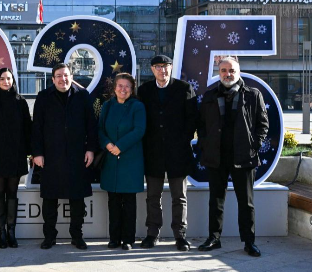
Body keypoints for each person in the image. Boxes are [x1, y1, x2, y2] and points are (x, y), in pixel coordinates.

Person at [195, 57, 268, 257]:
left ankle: (249, 241)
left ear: (238, 71)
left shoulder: (253, 95)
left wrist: (255, 145)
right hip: (216, 157)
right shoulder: (210, 95)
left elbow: (263, 124)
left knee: (246, 202)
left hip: (244, 156)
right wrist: (204, 144)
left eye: (232, 70)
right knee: (215, 201)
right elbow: (201, 125)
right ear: (219, 72)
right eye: (224, 70)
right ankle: (214, 238)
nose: (228, 74)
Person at [31, 63, 97, 250]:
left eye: (66, 75)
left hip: (77, 156)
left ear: (71, 76)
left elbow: (91, 125)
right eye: (59, 76)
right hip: (51, 156)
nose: (63, 79)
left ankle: (77, 236)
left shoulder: (82, 95)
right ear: (53, 79)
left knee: (77, 200)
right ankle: (49, 237)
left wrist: (91, 149)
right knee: (50, 200)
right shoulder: (44, 97)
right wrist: (37, 153)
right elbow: (36, 127)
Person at [137, 55, 197, 251]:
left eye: (166, 66)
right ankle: (152, 234)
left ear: (171, 68)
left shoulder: (184, 88)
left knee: (179, 196)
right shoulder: (144, 90)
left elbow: (192, 120)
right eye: (158, 67)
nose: (162, 70)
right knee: (153, 196)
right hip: (152, 152)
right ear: (152, 69)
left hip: (177, 152)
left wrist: (182, 141)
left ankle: (180, 236)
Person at [0, 68, 32, 249]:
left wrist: (31, 153)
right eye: (2, 79)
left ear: (13, 81)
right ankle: (1, 233)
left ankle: (12, 232)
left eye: (9, 78)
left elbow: (28, 130)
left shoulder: (21, 103)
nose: (6, 81)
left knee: (12, 194)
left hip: (16, 156)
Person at [99, 73, 146, 251]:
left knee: (128, 202)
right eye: (120, 85)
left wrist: (120, 146)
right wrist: (108, 144)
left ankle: (128, 239)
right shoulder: (107, 106)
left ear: (132, 89)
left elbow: (139, 130)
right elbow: (100, 130)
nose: (123, 89)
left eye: (127, 86)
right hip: (111, 159)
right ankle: (114, 238)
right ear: (114, 88)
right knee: (113, 201)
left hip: (130, 160)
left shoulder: (137, 106)